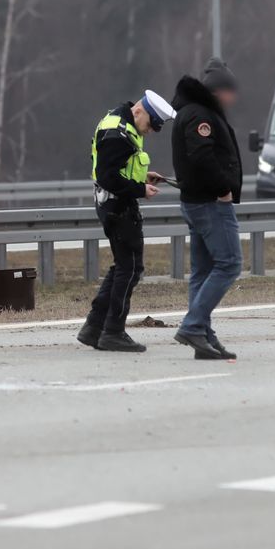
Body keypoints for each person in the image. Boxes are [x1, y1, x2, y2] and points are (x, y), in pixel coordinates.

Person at [77, 90, 176, 353]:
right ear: (139, 112)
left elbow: (119, 167)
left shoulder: (119, 122)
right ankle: (113, 331)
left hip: (112, 205)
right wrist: (140, 190)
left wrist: (143, 178)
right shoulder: (118, 134)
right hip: (117, 208)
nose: (150, 132)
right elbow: (108, 177)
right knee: (130, 268)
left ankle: (94, 327)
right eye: (150, 125)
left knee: (124, 266)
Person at [170, 58, 243, 360]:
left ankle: (204, 336)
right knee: (229, 264)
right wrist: (223, 188)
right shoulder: (201, 115)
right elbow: (202, 157)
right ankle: (193, 325)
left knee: (202, 270)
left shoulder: (190, 111)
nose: (233, 98)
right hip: (210, 203)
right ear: (218, 91)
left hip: (194, 201)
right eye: (230, 91)